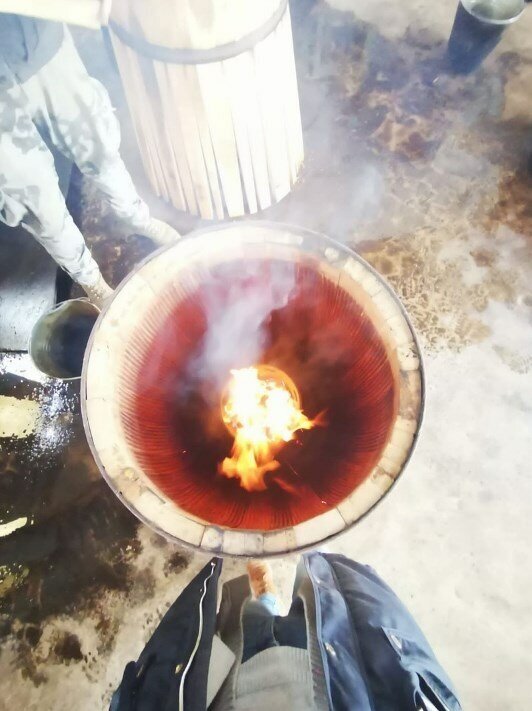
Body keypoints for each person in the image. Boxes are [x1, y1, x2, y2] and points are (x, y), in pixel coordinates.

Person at [110, 553, 462, 710]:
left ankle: (263, 596)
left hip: (229, 691)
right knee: (305, 621)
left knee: (246, 625)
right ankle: (267, 594)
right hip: (328, 678)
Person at [0, 13, 180, 308]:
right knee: (33, 194)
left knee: (94, 138)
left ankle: (134, 216)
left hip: (33, 29)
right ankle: (89, 277)